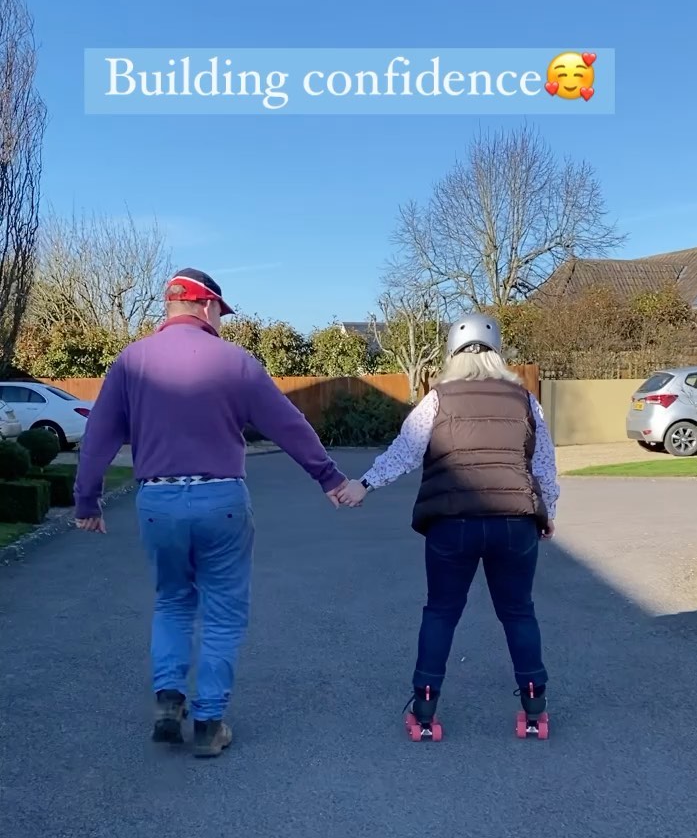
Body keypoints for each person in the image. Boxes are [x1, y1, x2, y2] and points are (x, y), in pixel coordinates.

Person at [74, 267, 348, 759]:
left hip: (157, 500)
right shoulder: (234, 361)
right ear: (207, 305)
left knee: (172, 602)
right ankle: (208, 724)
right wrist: (328, 477)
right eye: (222, 311)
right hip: (220, 499)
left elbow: (99, 435)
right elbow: (288, 424)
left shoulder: (131, 361)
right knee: (222, 613)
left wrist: (87, 501)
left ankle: (168, 702)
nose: (221, 320)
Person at [338, 312, 559, 734]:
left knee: (441, 612)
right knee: (518, 612)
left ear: (452, 354)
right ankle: (535, 709)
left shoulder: (437, 398)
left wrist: (364, 484)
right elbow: (544, 464)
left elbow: (406, 450)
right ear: (497, 353)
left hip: (451, 523)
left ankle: (424, 712)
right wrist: (548, 512)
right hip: (515, 523)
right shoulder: (525, 400)